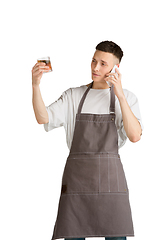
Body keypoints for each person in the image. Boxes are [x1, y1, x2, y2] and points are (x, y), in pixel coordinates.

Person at [32, 41, 143, 240]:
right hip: (77, 186)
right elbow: (43, 118)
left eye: (102, 64)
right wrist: (35, 85)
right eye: (93, 61)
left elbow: (135, 136)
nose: (95, 68)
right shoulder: (73, 96)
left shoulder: (126, 98)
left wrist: (120, 96)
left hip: (111, 185)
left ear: (116, 68)